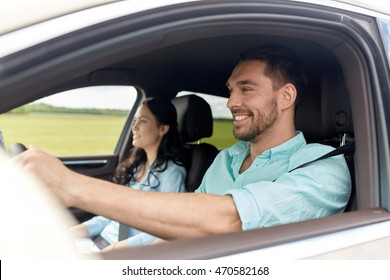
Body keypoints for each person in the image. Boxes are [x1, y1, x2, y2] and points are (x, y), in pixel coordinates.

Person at [14, 44, 351, 246]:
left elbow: (231, 220)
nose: (231, 102)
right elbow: (185, 223)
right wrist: (117, 253)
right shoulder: (225, 160)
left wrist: (71, 185)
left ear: (287, 96)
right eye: (230, 89)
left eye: (246, 89)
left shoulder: (322, 167)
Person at [71, 97, 188, 252]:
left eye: (143, 121)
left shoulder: (172, 173)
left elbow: (167, 231)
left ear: (162, 129)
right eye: (135, 120)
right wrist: (72, 232)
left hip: (122, 253)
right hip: (98, 242)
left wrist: (114, 250)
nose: (135, 127)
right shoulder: (136, 165)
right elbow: (112, 214)